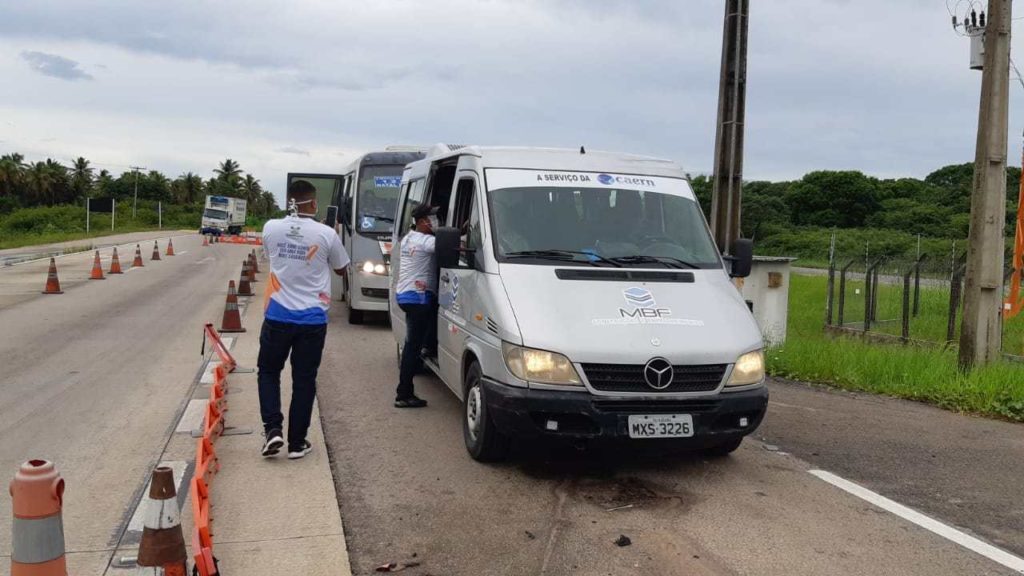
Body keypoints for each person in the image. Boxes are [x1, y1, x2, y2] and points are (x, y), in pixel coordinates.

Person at [258, 180, 350, 459]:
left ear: (290, 201)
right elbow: (341, 270)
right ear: (312, 203)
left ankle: (273, 430)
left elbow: (271, 257)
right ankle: (297, 443)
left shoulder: (270, 228)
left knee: (269, 372)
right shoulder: (326, 233)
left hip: (277, 315)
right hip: (312, 320)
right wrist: (328, 236)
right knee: (304, 380)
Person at [394, 203, 440, 408]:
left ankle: (426, 349)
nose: (436, 222)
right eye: (433, 218)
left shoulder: (408, 238)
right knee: (412, 347)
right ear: (423, 222)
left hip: (405, 295)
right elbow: (451, 245)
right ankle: (404, 394)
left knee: (413, 343)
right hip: (418, 298)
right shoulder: (427, 241)